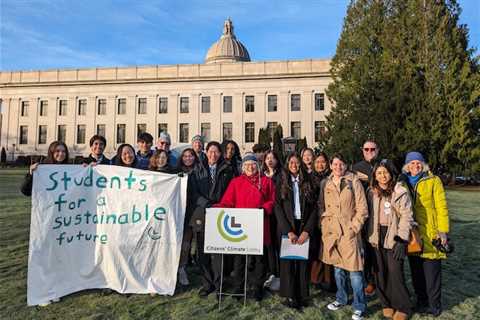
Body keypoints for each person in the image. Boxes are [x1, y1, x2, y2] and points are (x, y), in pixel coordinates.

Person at [214, 152, 276, 301]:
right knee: (239, 260)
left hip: (260, 225)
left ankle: (257, 288)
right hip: (240, 227)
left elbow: (273, 200)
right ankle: (238, 287)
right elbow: (227, 201)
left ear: (258, 166)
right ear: (243, 167)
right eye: (247, 164)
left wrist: (265, 208)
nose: (250, 167)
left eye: (253, 164)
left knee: (259, 260)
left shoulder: (266, 182)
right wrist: (215, 209)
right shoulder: (236, 182)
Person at [399, 152, 449, 317]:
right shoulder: (403, 181)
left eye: (418, 163)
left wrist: (443, 231)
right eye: (412, 163)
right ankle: (421, 302)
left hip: (431, 232)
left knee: (431, 273)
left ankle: (434, 305)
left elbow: (442, 207)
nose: (415, 166)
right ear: (407, 165)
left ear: (423, 164)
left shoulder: (433, 180)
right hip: (413, 233)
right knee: (416, 271)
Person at [319, 153, 368, 320]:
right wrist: (325, 225)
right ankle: (341, 298)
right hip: (332, 231)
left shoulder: (353, 181)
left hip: (349, 231)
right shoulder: (326, 182)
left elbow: (362, 208)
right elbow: (324, 206)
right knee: (338, 269)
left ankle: (359, 306)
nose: (338, 167)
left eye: (341, 164)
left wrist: (354, 228)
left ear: (346, 165)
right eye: (335, 164)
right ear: (331, 166)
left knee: (355, 271)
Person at [20, 140, 69, 306]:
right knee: (44, 256)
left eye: (63, 151)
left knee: (58, 257)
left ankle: (56, 289)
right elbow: (25, 191)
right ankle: (42, 292)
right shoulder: (42, 169)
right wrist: (30, 174)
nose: (60, 154)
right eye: (57, 151)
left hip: (64, 221)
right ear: (51, 152)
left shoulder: (70, 169)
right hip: (46, 221)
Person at [367, 159, 413, 320]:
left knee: (395, 271)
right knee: (380, 271)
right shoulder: (372, 191)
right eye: (379, 173)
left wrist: (401, 239)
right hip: (376, 234)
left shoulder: (400, 191)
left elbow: (407, 217)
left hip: (394, 234)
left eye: (385, 172)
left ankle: (403, 306)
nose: (382, 176)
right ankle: (386, 303)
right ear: (375, 175)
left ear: (391, 173)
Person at [189, 141, 234, 297]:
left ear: (220, 154)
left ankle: (219, 284)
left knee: (219, 252)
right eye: (210, 151)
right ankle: (207, 284)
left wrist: (220, 205)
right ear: (206, 152)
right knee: (203, 252)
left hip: (220, 214)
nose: (213, 155)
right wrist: (206, 204)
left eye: (216, 152)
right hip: (202, 214)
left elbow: (230, 191)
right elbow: (193, 193)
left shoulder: (227, 170)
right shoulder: (197, 169)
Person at [274, 152, 317, 309]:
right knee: (288, 262)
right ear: (287, 164)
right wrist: (288, 231)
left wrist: (307, 231)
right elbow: (277, 207)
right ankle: (290, 295)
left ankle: (302, 295)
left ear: (301, 164)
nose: (294, 164)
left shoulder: (309, 181)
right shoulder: (281, 181)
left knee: (302, 262)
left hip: (303, 224)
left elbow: (314, 209)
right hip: (288, 226)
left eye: (296, 162)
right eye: (291, 162)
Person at [352, 140, 380, 297]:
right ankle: (370, 281)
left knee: (381, 250)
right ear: (362, 150)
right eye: (366, 149)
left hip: (381, 214)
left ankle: (381, 281)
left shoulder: (384, 164)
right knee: (366, 250)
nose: (369, 151)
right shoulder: (356, 167)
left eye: (372, 148)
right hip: (365, 214)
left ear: (377, 149)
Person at [310, 151, 335, 292]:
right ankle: (315, 279)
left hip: (329, 218)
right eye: (317, 162)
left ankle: (329, 280)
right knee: (316, 250)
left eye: (323, 162)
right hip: (314, 219)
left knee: (328, 249)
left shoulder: (331, 178)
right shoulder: (309, 178)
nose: (320, 164)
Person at [176, 147, 200, 286]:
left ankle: (182, 268)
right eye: (185, 156)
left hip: (192, 211)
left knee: (187, 243)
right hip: (178, 210)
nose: (188, 158)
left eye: (190, 155)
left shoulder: (199, 171)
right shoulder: (176, 171)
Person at [261, 150, 282, 291]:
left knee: (277, 244)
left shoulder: (281, 175)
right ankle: (269, 272)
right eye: (268, 158)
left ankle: (278, 273)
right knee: (267, 245)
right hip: (264, 214)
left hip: (278, 215)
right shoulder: (261, 176)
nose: (270, 160)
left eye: (273, 158)